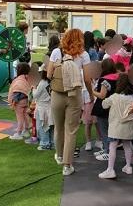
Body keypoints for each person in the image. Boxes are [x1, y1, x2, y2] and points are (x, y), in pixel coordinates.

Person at [47, 28, 89, 176]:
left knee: (58, 127)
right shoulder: (84, 55)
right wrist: (91, 93)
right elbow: (87, 79)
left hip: (57, 93)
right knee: (71, 130)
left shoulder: (56, 52)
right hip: (74, 94)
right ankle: (67, 165)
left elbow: (48, 73)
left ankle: (59, 155)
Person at [99, 73, 133, 179]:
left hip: (115, 127)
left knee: (112, 146)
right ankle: (128, 166)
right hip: (128, 127)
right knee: (127, 145)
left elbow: (104, 104)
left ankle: (110, 169)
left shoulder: (114, 97)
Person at [91, 58, 119, 161]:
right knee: (111, 130)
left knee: (104, 130)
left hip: (103, 107)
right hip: (114, 107)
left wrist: (92, 91)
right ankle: (107, 148)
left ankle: (108, 151)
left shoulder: (104, 80)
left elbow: (102, 95)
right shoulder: (118, 78)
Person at [8, 63, 33, 140]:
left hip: (19, 101)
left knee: (20, 118)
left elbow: (17, 92)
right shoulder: (28, 78)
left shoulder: (18, 80)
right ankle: (26, 131)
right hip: (27, 100)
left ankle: (18, 133)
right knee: (26, 116)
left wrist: (13, 103)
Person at [33, 68, 54, 150]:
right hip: (50, 107)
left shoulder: (42, 83)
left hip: (42, 108)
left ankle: (44, 143)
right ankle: (52, 143)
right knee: (51, 126)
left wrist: (34, 88)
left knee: (42, 126)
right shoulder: (51, 81)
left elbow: (35, 95)